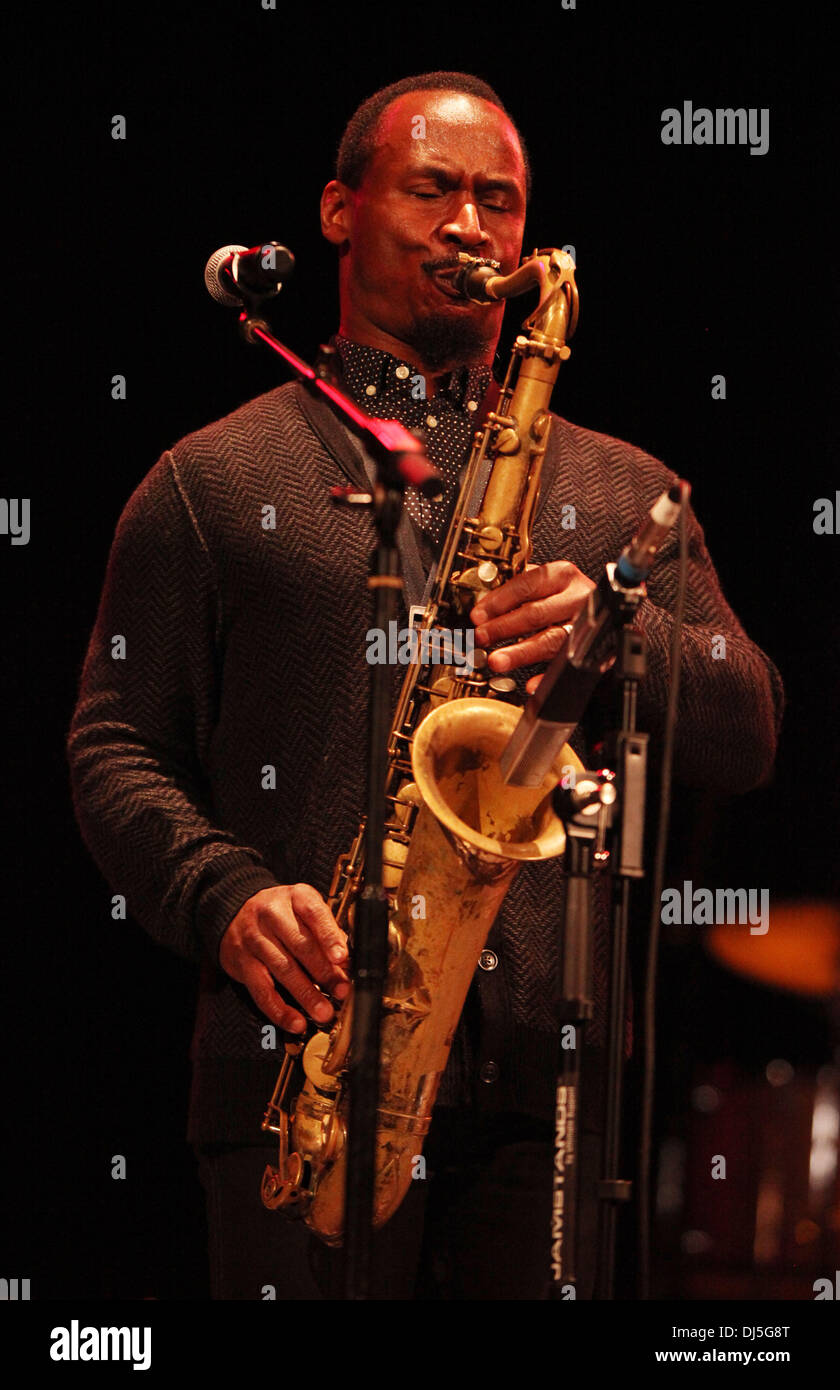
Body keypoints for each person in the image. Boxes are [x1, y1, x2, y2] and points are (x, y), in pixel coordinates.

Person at [66, 71, 784, 1300]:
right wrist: (225, 896)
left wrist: (628, 636)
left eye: (498, 201)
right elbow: (113, 746)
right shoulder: (213, 478)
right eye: (434, 189)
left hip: (552, 1109)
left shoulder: (622, 492)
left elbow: (754, 725)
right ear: (341, 211)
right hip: (303, 1073)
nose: (471, 226)